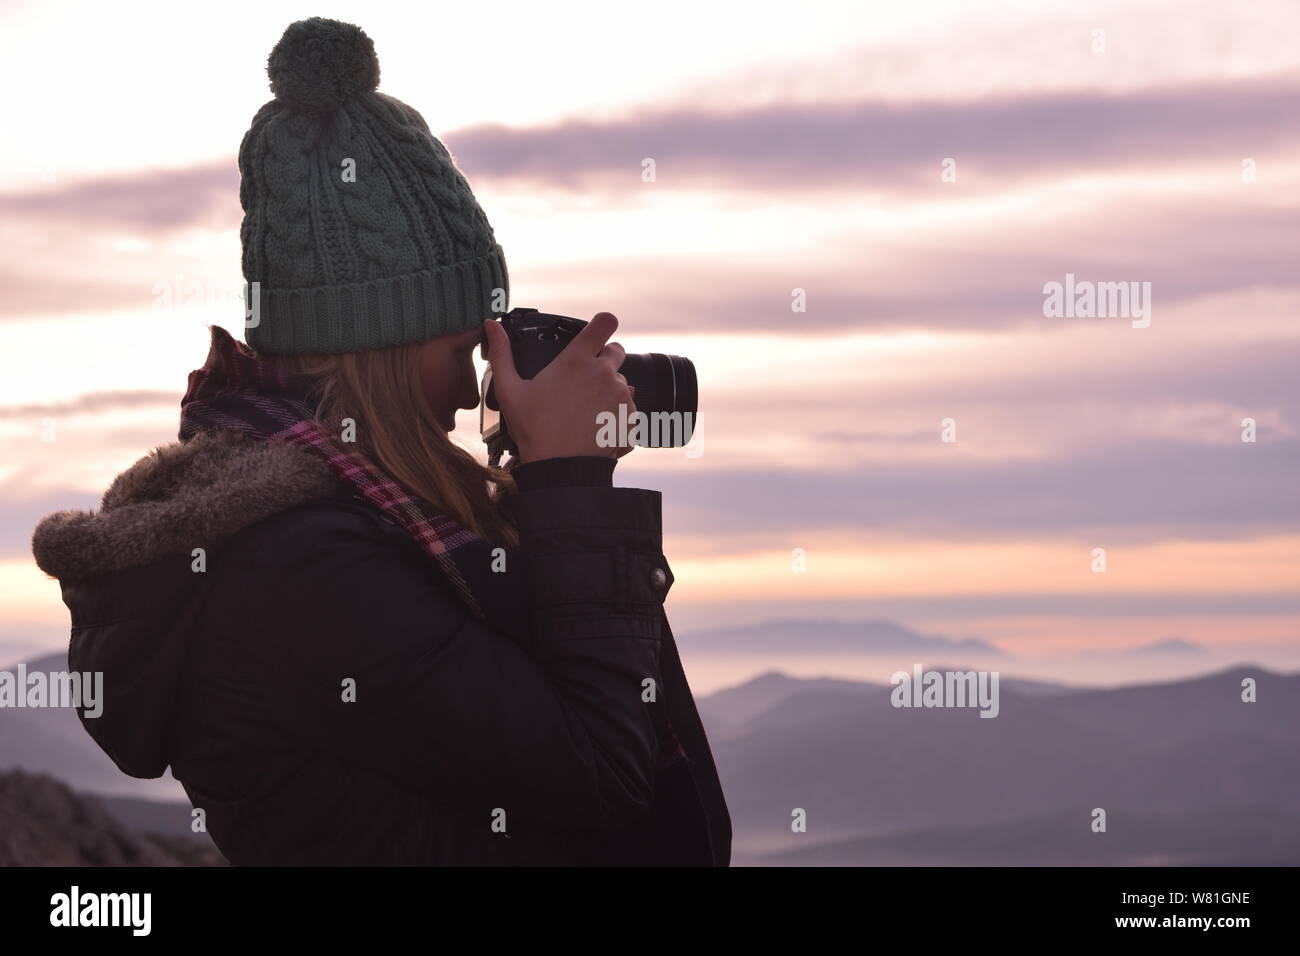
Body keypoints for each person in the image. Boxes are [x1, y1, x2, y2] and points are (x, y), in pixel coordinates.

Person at [30, 16, 730, 866]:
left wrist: (549, 491)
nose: (485, 360)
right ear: (395, 345)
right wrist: (570, 485)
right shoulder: (303, 566)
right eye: (469, 335)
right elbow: (607, 782)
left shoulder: (346, 517)